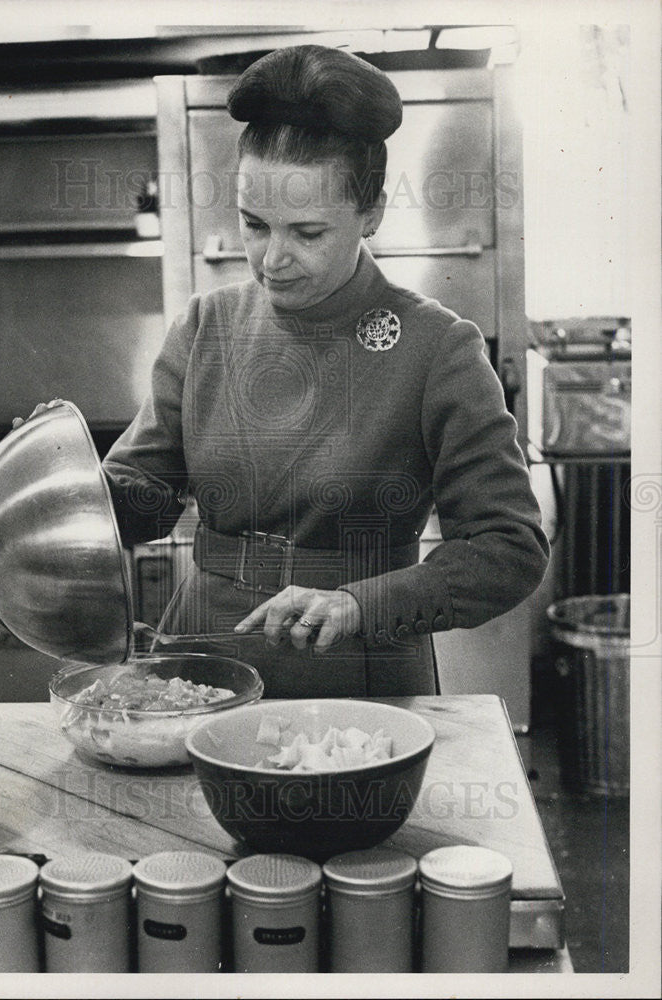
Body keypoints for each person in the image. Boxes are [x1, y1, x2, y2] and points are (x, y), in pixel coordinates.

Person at [101, 44, 550, 699]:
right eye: (255, 225)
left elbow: (509, 547)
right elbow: (144, 498)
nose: (271, 258)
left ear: (371, 215)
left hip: (358, 667)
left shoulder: (439, 348)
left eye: (307, 233)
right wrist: (72, 491)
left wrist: (362, 604)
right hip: (202, 665)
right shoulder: (208, 327)